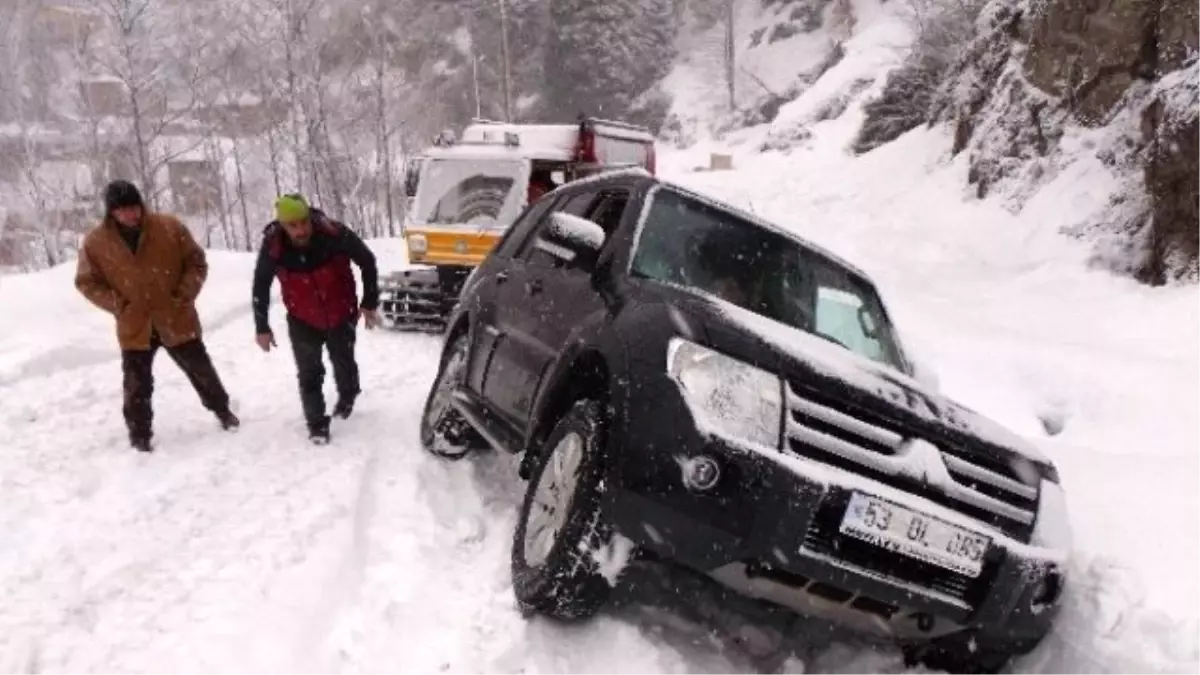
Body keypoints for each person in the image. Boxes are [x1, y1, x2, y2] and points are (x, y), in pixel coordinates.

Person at [75, 179, 240, 452]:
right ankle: (139, 435)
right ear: (111, 212)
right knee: (136, 386)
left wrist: (183, 294)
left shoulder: (168, 227)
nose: (130, 215)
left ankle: (222, 411)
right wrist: (118, 304)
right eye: (122, 210)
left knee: (201, 371)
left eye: (134, 207)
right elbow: (86, 282)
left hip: (175, 316)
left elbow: (196, 262)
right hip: (135, 325)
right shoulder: (96, 242)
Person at [251, 193, 381, 444]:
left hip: (340, 312)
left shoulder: (335, 235)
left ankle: (347, 395)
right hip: (302, 319)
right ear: (282, 225)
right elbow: (260, 285)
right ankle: (317, 424)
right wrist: (261, 326)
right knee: (309, 373)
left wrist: (369, 302)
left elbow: (367, 260)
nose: (300, 230)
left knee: (343, 361)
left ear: (310, 217)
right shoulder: (273, 246)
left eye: (303, 222)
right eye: (293, 225)